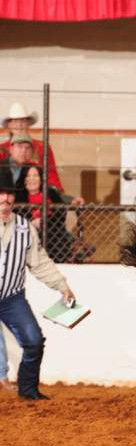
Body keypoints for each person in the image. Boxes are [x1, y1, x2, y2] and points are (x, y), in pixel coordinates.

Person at [0, 167, 75, 400]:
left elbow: (40, 263)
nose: (5, 199)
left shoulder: (25, 228)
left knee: (33, 341)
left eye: (9, 194)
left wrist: (62, 286)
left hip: (12, 298)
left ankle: (28, 391)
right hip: (12, 297)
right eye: (0, 193)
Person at [15, 165, 95, 263]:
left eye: (36, 176)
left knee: (53, 229)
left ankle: (72, 250)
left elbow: (61, 213)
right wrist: (32, 221)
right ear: (24, 179)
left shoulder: (51, 192)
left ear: (41, 178)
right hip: (29, 230)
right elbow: (18, 215)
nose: (32, 179)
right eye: (29, 176)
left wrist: (43, 221)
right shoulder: (18, 196)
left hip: (52, 228)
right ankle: (74, 249)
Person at [0, 103, 68, 196]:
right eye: (15, 121)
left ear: (28, 123)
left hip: (34, 197)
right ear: (9, 124)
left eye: (23, 121)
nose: (19, 125)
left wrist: (60, 196)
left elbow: (51, 175)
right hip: (5, 199)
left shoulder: (42, 147)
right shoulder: (1, 149)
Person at [0, 133, 83, 205]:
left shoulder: (33, 169)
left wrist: (70, 200)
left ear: (32, 152)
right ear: (11, 149)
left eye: (27, 148)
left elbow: (47, 189)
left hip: (23, 218)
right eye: (20, 146)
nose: (24, 150)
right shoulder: (1, 166)